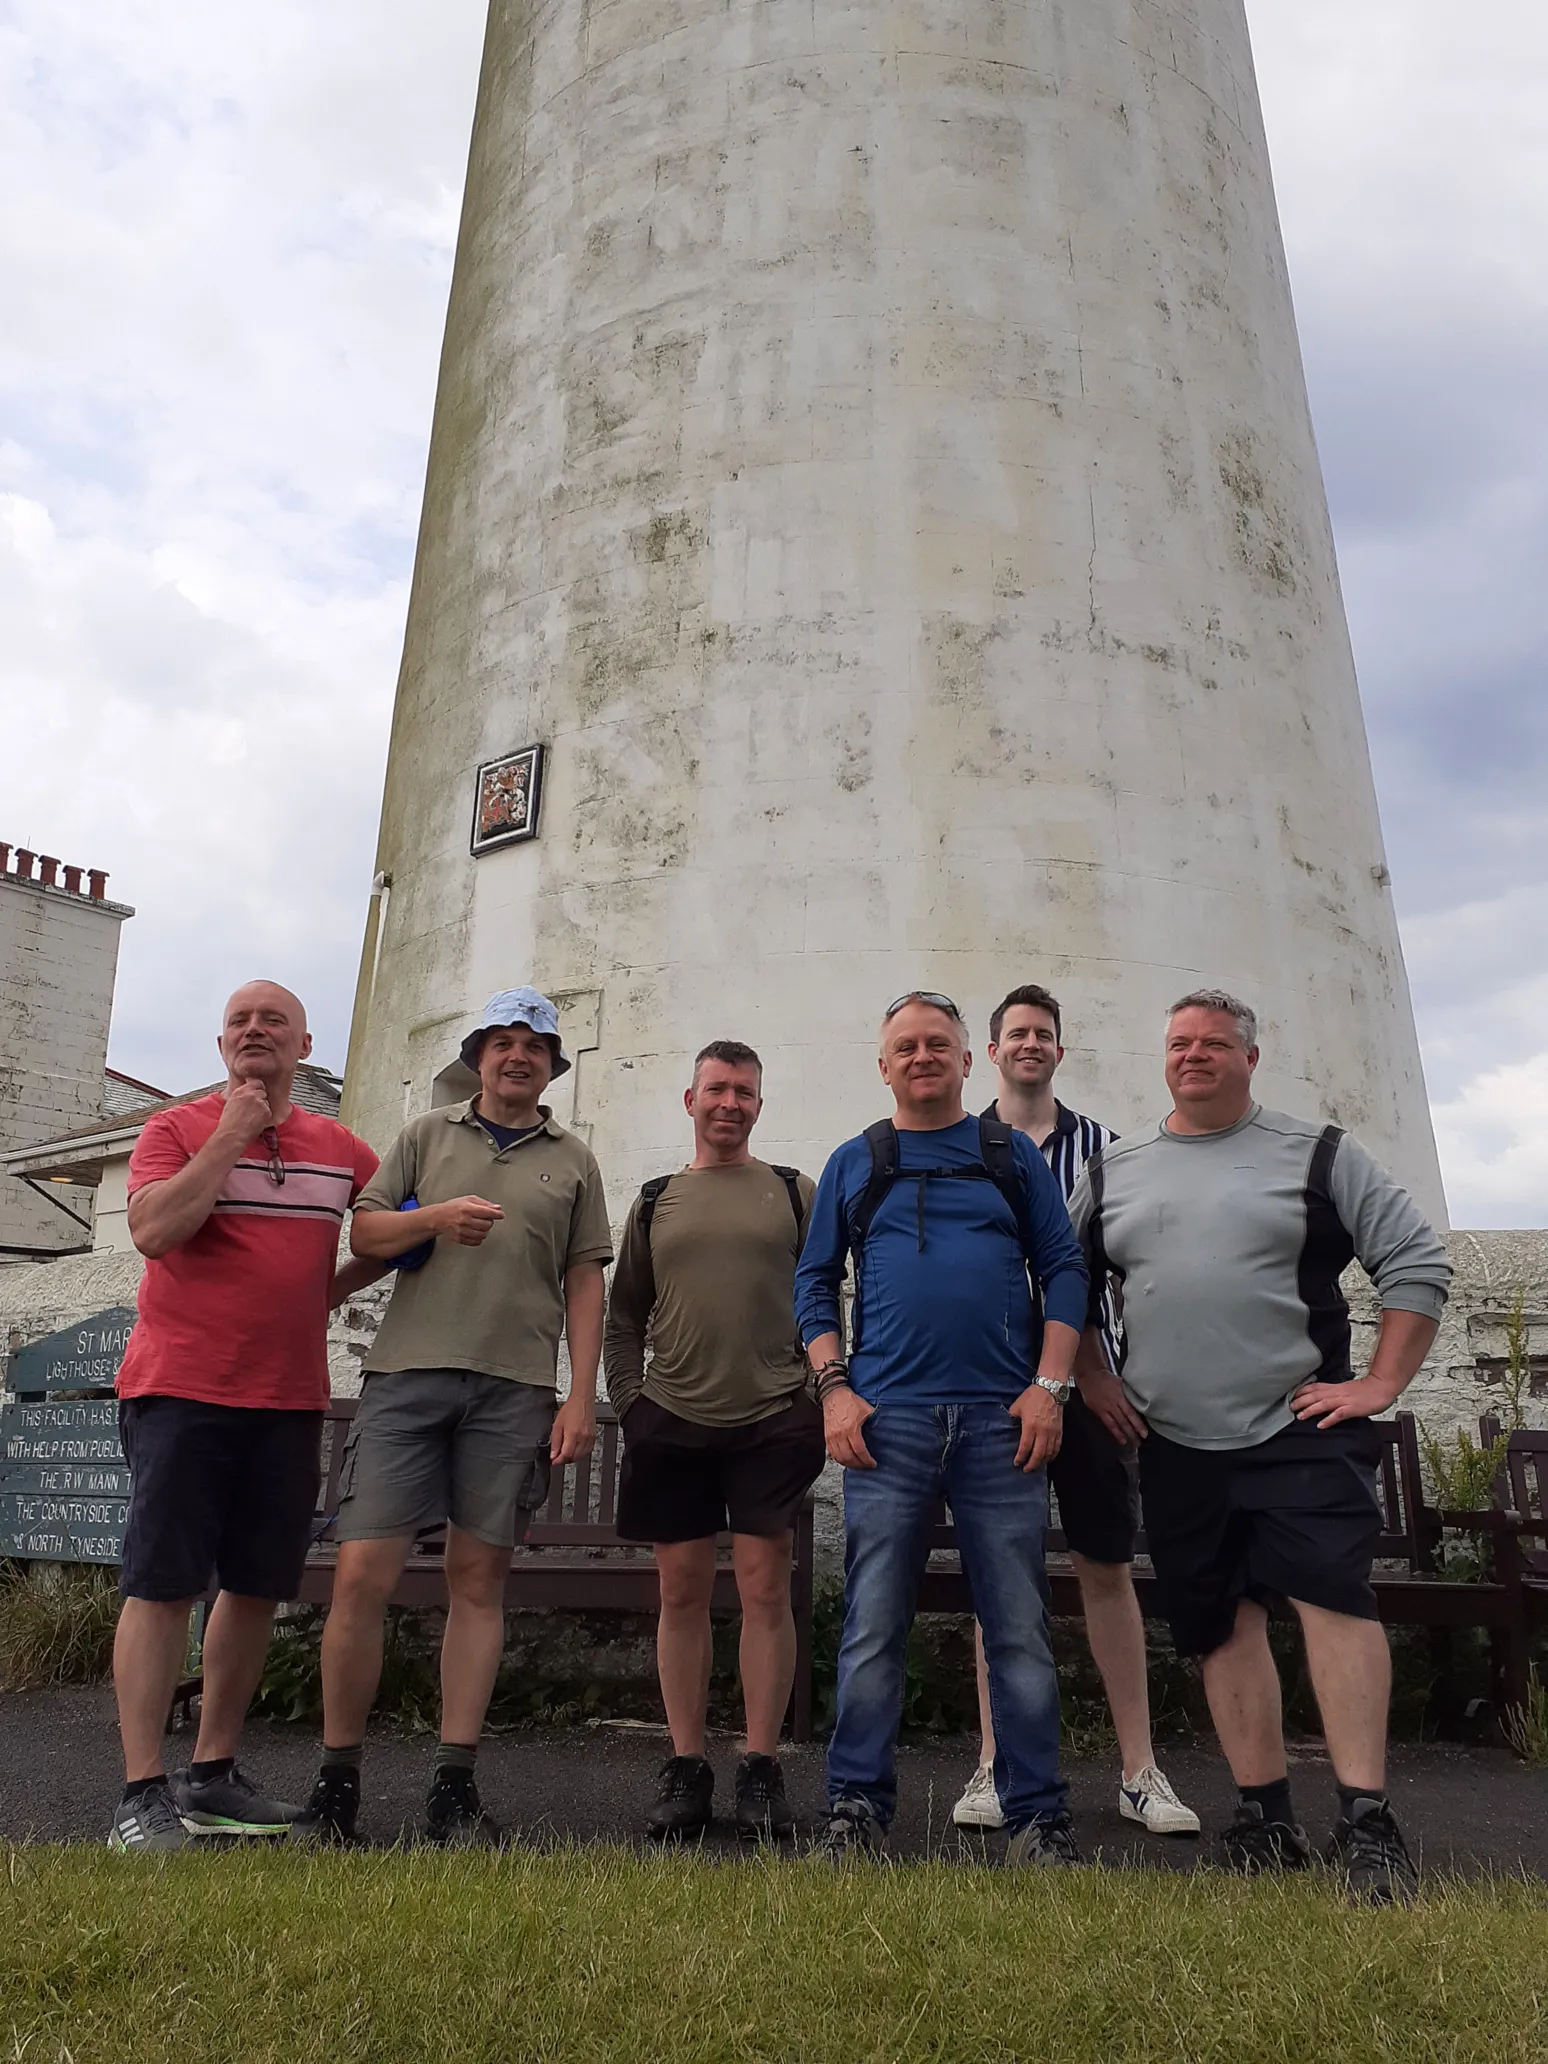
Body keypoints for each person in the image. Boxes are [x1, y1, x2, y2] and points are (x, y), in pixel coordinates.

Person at [1068, 989, 1452, 1902]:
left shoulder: (1315, 1152)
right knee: (1220, 1622)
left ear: (1250, 1056)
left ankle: (1367, 1821)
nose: (1192, 1055)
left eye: (1212, 1043)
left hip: (1299, 1427)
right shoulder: (1118, 1171)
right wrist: (1092, 1380)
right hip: (1174, 1440)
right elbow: (1062, 1285)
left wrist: (1380, 1386)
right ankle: (1264, 1817)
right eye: (1178, 1043)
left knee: (1335, 1602)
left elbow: (1415, 1260)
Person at [296, 988, 612, 1847]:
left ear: (553, 1064)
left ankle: (453, 1785)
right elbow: (365, 1235)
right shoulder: (422, 1136)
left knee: (479, 1583)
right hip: (406, 1380)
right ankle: (336, 1783)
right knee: (361, 1577)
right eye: (502, 1042)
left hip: (514, 1390)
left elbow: (587, 1280)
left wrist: (579, 1394)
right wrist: (434, 1217)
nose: (518, 1056)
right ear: (477, 1056)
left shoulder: (575, 1160)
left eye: (535, 1045)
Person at [794, 991, 1089, 1865]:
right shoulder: (857, 1161)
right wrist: (834, 1393)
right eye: (905, 1047)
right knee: (873, 1624)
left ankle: (1039, 1819)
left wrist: (1049, 1388)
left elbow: (1064, 1269)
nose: (923, 1057)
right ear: (882, 1065)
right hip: (888, 1425)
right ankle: (853, 1811)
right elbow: (813, 1286)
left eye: (940, 1045)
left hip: (1005, 1423)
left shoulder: (1012, 1157)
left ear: (970, 1060)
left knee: (1020, 1627)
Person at [109, 981, 382, 1852]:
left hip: (286, 1400)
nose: (255, 1030)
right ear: (222, 1044)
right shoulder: (175, 1129)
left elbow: (392, 1227)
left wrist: (329, 1289)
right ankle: (140, 1793)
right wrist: (231, 1132)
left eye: (274, 1021)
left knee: (256, 1588)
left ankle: (212, 1775)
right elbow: (154, 1231)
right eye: (240, 1021)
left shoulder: (340, 1149)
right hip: (180, 1393)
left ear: (306, 1045)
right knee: (161, 1587)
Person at [952, 986, 1198, 1839]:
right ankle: (993, 1765)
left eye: (1044, 1034)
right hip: (990, 1386)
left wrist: (1095, 1372)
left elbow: (1113, 1269)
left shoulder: (1106, 1150)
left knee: (1105, 1566)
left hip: (1091, 1390)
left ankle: (1138, 1769)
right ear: (992, 1051)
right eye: (1016, 1033)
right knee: (997, 1577)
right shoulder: (962, 1142)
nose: (1030, 1045)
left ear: (1060, 1050)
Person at [605, 1040, 826, 1842]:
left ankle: (761, 1768)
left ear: (759, 1105)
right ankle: (688, 1765)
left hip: (773, 1416)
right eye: (716, 1090)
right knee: (681, 1594)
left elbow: (831, 1297)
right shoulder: (657, 1198)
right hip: (673, 1419)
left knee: (767, 1591)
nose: (729, 1103)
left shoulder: (794, 1193)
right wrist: (631, 1403)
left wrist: (812, 1392)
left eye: (745, 1092)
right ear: (690, 1100)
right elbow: (625, 1312)